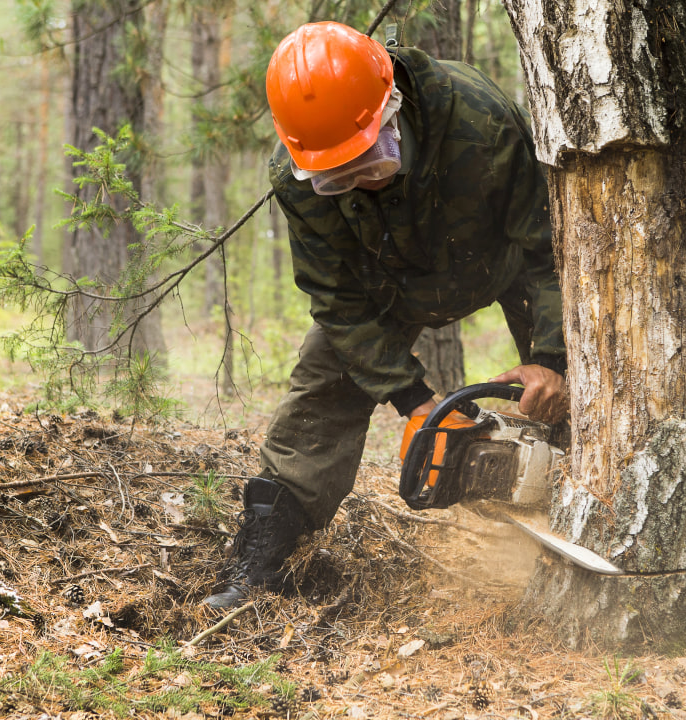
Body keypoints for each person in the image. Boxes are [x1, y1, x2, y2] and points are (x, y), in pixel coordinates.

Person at [202, 21, 567, 609]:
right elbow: (338, 300)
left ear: (392, 103)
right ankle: (264, 557)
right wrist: (414, 400)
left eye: (369, 160)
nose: (356, 182)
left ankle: (587, 515)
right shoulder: (296, 175)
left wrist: (550, 358)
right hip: (389, 280)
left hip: (500, 260)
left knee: (570, 383)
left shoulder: (479, 122)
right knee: (324, 377)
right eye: (336, 177)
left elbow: (550, 248)